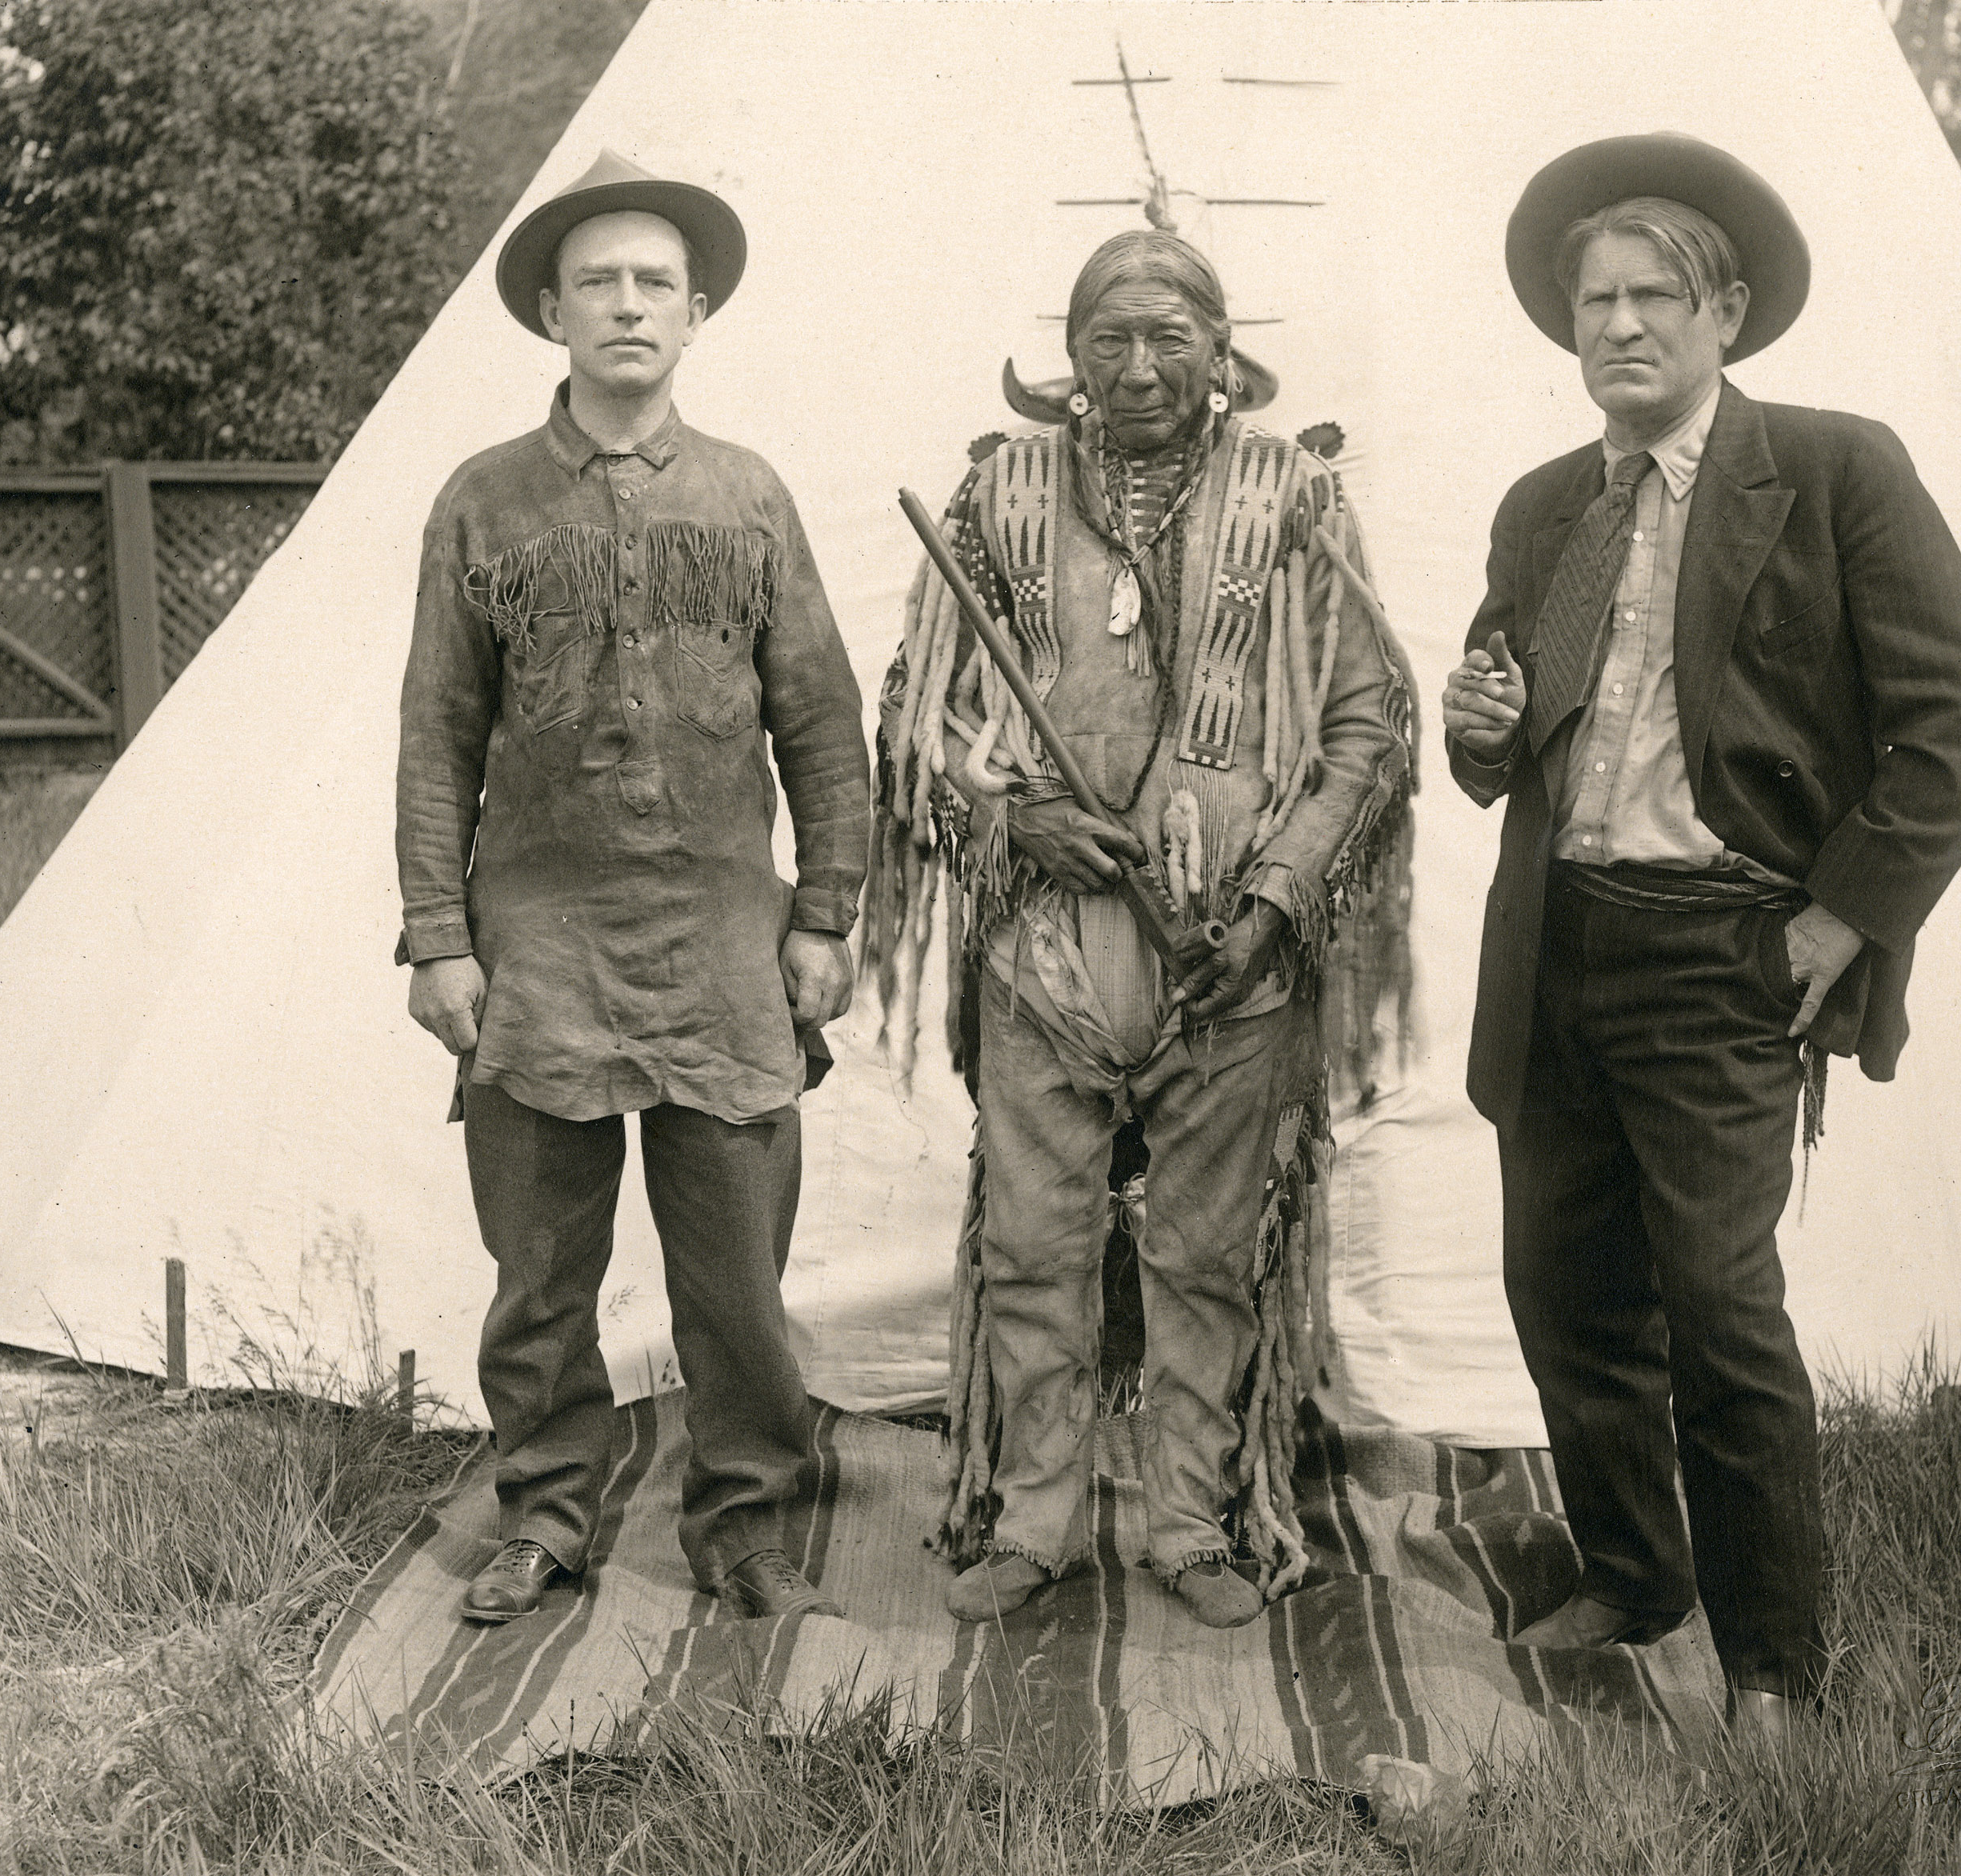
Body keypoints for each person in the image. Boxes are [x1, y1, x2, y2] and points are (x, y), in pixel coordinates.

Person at [1444, 136, 1961, 1738]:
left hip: (1725, 955)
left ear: (1727, 314)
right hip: (1558, 948)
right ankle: (1637, 1582)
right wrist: (1480, 725)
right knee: (1567, 1292)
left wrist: (1843, 915)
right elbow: (1508, 754)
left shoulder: (1834, 472)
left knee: (1719, 1306)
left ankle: (1776, 1671)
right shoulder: (1547, 504)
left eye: (1653, 299)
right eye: (1593, 302)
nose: (1618, 327)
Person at [870, 230, 1413, 1628]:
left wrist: (1281, 895)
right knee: (1038, 1243)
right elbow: (919, 706)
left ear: (1223, 353)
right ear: (1069, 357)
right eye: (1107, 338)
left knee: (1205, 1254)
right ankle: (1036, 1512)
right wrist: (1015, 819)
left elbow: (1365, 725)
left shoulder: (1295, 500)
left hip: (1228, 951)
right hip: (1042, 948)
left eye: (1170, 336)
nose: (1139, 366)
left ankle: (1195, 1517)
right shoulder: (999, 495)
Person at [395, 151, 870, 1625]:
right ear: (550, 310)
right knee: (540, 1273)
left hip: (726, 936)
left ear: (698, 309)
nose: (625, 305)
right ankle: (544, 1513)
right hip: (536, 940)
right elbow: (436, 733)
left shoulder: (750, 496)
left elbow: (823, 724)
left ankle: (744, 1525)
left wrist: (826, 914)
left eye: (653, 281)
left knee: (734, 1268)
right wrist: (438, 938)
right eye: (595, 280)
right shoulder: (480, 503)